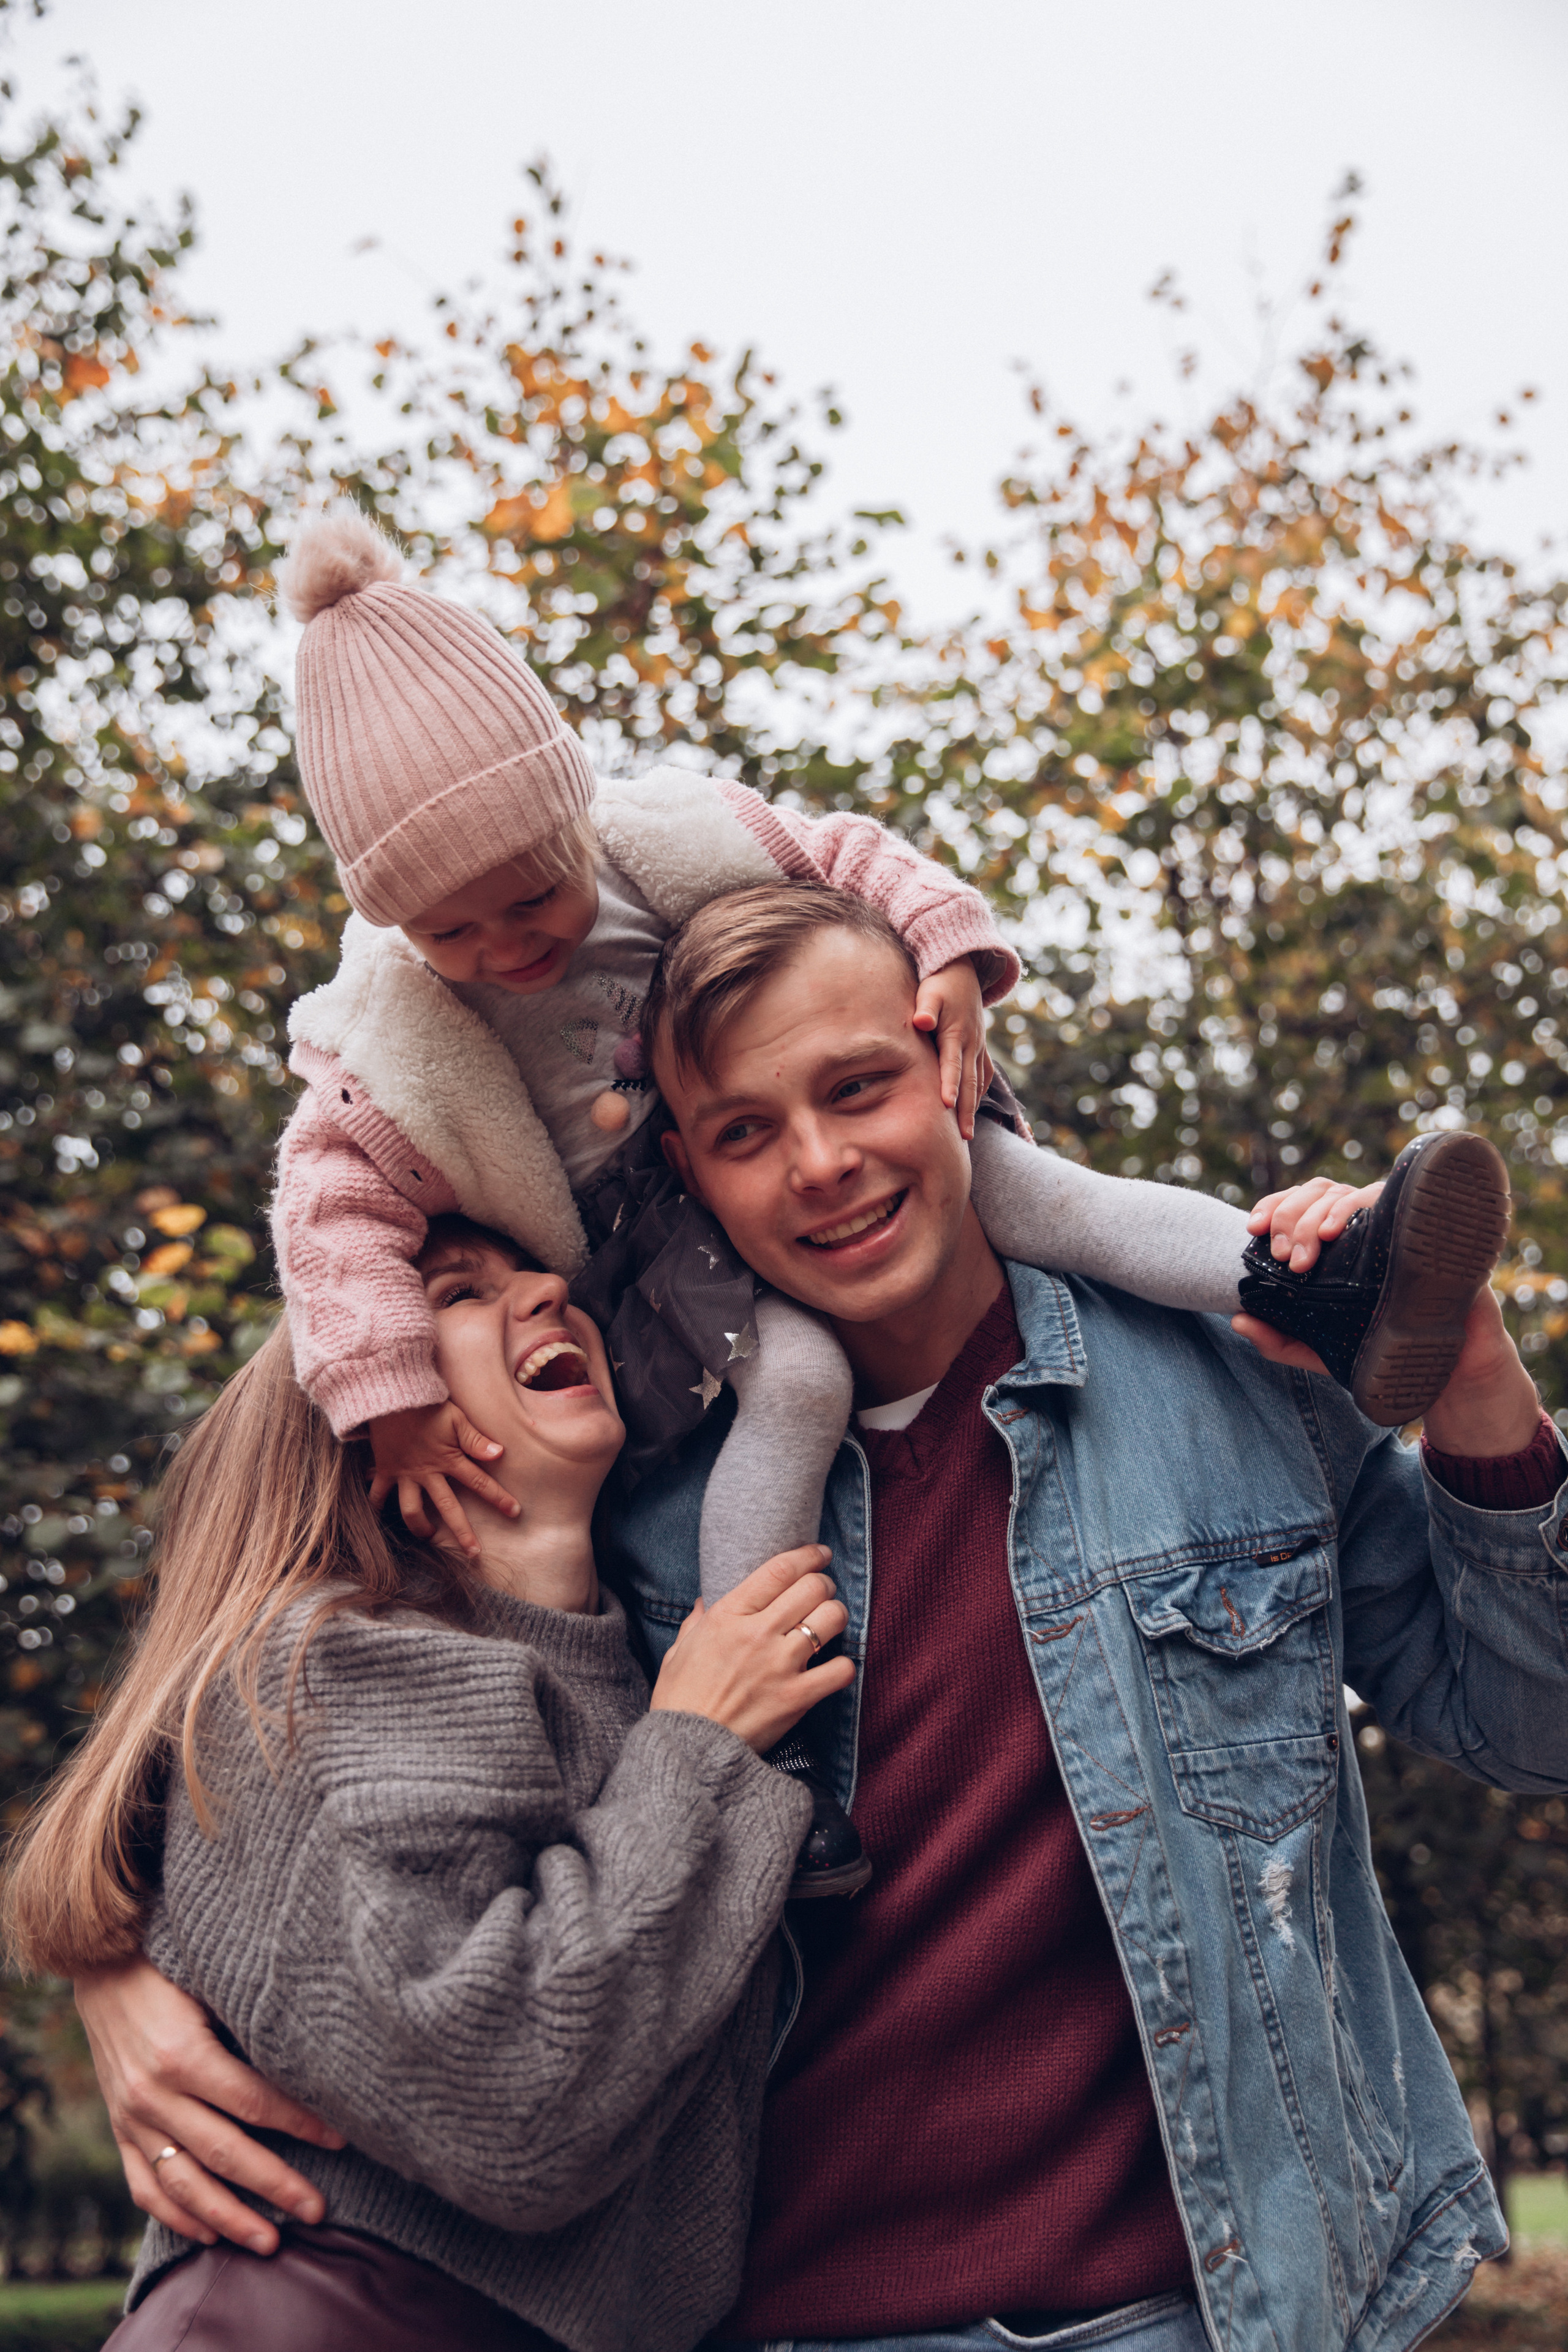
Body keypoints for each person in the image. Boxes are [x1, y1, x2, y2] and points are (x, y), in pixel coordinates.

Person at [69, 881, 1559, 2351]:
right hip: (781, 2322)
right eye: (742, 1132)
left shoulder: (1234, 1379)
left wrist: (1478, 1384)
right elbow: (283, 1733)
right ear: (686, 1177)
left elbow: (1527, 1725)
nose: (821, 1164)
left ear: (953, 1072)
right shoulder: (617, 1480)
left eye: (857, 1088)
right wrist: (112, 1968)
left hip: (1220, 2305)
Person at [263, 507, 1504, 1893]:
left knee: (1048, 1193)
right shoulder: (592, 1488)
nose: (511, 946)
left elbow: (857, 859)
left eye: (859, 1090)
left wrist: (951, 955)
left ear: (573, 805)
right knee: (791, 1384)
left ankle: (1315, 1283)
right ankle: (771, 1751)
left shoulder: (672, 842)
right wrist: (390, 1392)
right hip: (670, 1278)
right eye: (452, 931)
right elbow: (330, 1206)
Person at [4, 1213, 856, 2351]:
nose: (552, 1290)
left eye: (540, 1273)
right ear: (361, 1414)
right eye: (457, 1294)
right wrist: (697, 1744)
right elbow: (510, 2101)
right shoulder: (342, 1658)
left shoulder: (631, 1676)